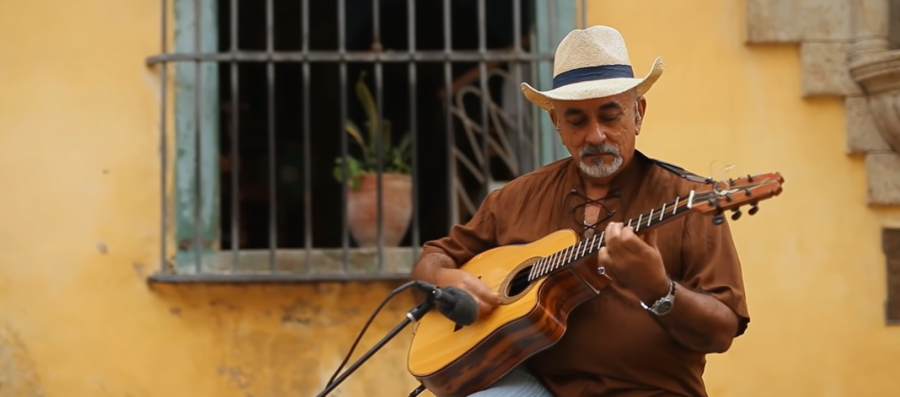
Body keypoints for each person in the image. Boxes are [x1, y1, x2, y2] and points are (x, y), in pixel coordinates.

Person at [410, 25, 750, 397]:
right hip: (535, 385)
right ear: (556, 122)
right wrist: (447, 281)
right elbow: (434, 258)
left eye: (610, 116)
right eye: (576, 120)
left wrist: (658, 288)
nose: (595, 136)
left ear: (638, 113)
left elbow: (721, 332)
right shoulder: (516, 197)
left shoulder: (690, 200)